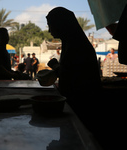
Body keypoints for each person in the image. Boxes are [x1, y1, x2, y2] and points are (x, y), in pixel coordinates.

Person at [46, 7, 103, 146]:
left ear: (61, 24)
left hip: (83, 106)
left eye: (50, 25)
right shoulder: (72, 42)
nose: (49, 30)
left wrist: (55, 66)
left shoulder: (76, 45)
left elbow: (72, 74)